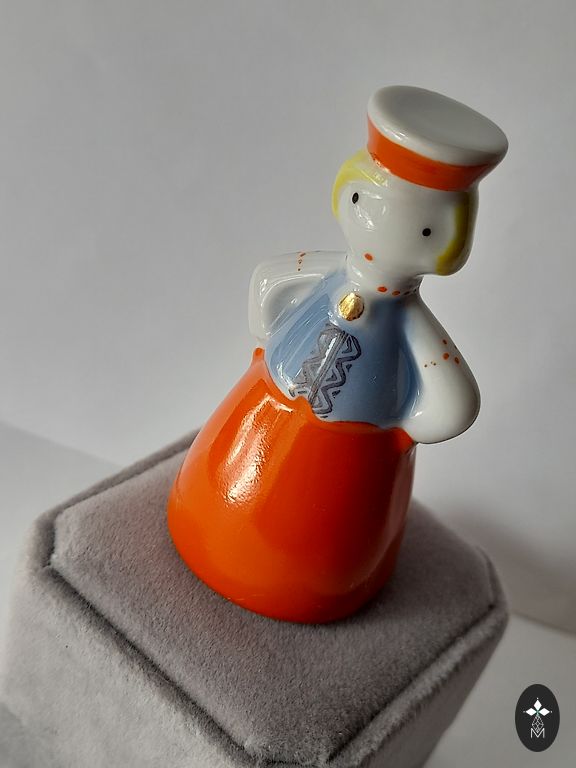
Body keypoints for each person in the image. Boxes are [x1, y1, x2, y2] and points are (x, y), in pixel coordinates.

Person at [168, 86, 508, 623]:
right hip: (269, 404)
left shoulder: (409, 322)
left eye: (422, 229)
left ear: (447, 242)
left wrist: (399, 433)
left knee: (325, 530)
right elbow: (269, 281)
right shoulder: (329, 274)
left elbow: (456, 404)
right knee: (237, 480)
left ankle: (309, 585)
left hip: (353, 450)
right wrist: (266, 343)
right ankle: (207, 527)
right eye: (363, 202)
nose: (382, 230)